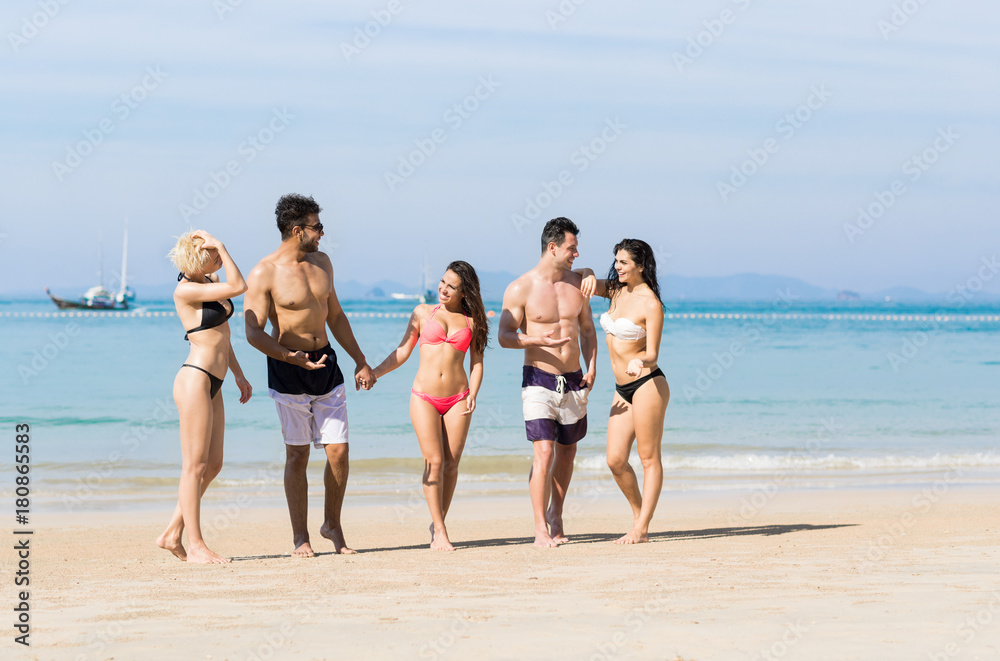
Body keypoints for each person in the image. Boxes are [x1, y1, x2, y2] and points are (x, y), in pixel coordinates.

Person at [244, 193, 376, 558]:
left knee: (339, 452)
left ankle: (331, 523)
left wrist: (360, 360)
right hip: (288, 366)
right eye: (317, 227)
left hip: (326, 363)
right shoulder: (264, 272)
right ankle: (300, 537)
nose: (323, 233)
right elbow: (253, 333)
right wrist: (291, 356)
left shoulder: (323, 263)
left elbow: (335, 316)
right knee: (297, 455)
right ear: (298, 230)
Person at [372, 262, 488, 551]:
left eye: (451, 286)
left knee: (451, 466)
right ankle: (441, 530)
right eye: (442, 282)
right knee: (434, 462)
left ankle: (438, 525)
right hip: (424, 397)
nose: (443, 288)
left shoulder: (472, 321)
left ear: (464, 292)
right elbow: (402, 352)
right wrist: (374, 372)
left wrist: (473, 392)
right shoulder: (423, 313)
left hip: (458, 398)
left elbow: (477, 363)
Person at [499, 217, 597, 548]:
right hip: (538, 378)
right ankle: (540, 528)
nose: (577, 254)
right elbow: (504, 336)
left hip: (574, 379)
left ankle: (557, 515)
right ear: (552, 247)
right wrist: (536, 341)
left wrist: (593, 366)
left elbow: (586, 329)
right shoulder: (520, 287)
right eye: (572, 248)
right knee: (543, 453)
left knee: (567, 454)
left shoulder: (578, 284)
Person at [157, 230, 252, 564]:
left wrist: (238, 374)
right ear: (196, 259)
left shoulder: (209, 280)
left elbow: (223, 334)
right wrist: (223, 246)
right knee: (194, 467)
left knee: (213, 464)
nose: (217, 259)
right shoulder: (186, 290)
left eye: (216, 253)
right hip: (195, 379)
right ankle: (195, 544)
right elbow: (240, 286)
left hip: (216, 380)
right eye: (211, 254)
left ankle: (171, 533)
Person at [578, 238, 669, 544]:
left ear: (641, 266)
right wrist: (590, 270)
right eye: (616, 261)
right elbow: (580, 277)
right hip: (621, 388)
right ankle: (639, 514)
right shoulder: (615, 290)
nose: (617, 267)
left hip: (647, 383)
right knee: (615, 460)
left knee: (648, 458)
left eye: (624, 262)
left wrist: (638, 359)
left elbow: (653, 353)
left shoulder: (651, 304)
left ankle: (641, 529)